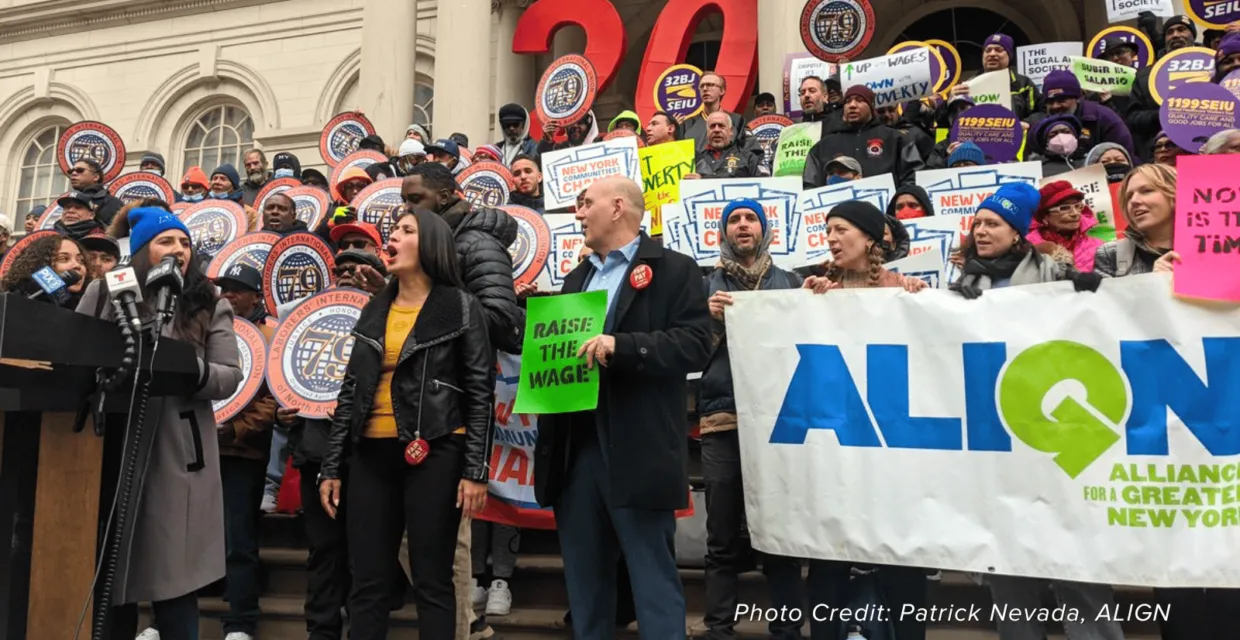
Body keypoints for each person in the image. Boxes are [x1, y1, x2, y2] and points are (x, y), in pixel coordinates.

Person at [533, 175, 712, 640]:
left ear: (617, 208)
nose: (577, 213)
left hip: (638, 447)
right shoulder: (577, 277)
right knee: (585, 588)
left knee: (652, 580)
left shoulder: (675, 269)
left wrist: (624, 346)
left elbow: (695, 345)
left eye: (584, 203)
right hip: (577, 453)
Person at [318, 207, 493, 640]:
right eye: (393, 229)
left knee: (433, 581)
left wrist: (475, 470)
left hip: (436, 451)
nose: (391, 237)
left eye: (405, 230)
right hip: (370, 456)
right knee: (369, 582)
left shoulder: (461, 306)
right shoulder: (374, 310)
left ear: (430, 243)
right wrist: (332, 466)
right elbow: (350, 392)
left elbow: (479, 393)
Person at [78, 205, 242, 640]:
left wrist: (189, 368)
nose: (178, 250)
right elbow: (73, 353)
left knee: (174, 581)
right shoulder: (104, 293)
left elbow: (229, 374)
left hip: (176, 452)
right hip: (108, 445)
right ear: (141, 249)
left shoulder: (209, 300)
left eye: (185, 242)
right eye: (166, 241)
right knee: (110, 579)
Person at [698, 198, 805, 640]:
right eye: (734, 220)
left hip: (781, 424)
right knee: (721, 535)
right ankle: (719, 629)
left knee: (781, 534)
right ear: (724, 232)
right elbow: (688, 354)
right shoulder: (704, 288)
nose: (743, 226)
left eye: (750, 219)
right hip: (723, 421)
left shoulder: (794, 283)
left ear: (765, 230)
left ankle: (787, 630)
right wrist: (712, 323)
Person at [213, 263, 276, 640]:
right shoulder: (206, 329)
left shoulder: (270, 337)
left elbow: (274, 400)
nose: (229, 295)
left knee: (239, 539)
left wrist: (234, 429)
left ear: (257, 296)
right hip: (199, 447)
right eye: (225, 288)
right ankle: (166, 615)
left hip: (243, 453)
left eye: (238, 289)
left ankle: (240, 621)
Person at [401, 163, 523, 353]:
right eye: (404, 200)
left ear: (443, 197)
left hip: (458, 376)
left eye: (415, 199)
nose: (406, 209)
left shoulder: (479, 246)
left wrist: (432, 304)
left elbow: (502, 322)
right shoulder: (423, 245)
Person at [803, 85, 923, 188]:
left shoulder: (896, 139)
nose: (852, 105)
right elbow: (809, 185)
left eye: (860, 100)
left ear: (871, 107)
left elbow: (914, 176)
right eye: (848, 101)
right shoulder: (824, 145)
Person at [1127, 16, 1198, 161]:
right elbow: (1133, 119)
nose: (1175, 35)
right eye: (1170, 32)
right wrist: (1163, 114)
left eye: (1181, 29)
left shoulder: (1214, 64)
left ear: (1193, 35)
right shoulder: (1147, 75)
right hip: (1163, 155)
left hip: (1207, 150)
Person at [1027, 70, 1135, 159]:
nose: (1055, 106)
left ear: (1077, 98)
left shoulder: (1104, 118)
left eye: (1062, 100)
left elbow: (1125, 155)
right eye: (1050, 102)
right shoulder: (1039, 128)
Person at [1094, 163, 1178, 276]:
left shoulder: (1209, 247)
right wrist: (1154, 284)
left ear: (1175, 193)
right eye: (1129, 196)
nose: (1134, 201)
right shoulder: (1111, 254)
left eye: (1146, 191)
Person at [1028, 181, 1103, 272]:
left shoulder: (1098, 246)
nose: (1075, 213)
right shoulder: (1027, 247)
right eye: (1064, 208)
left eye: (1078, 206)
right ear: (1045, 217)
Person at [0, 233, 89, 308]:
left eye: (81, 260)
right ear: (41, 265)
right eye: (64, 259)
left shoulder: (90, 308)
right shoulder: (13, 302)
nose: (77, 265)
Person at [681, 72, 749, 151]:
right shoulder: (687, 124)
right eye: (702, 86)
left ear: (722, 91)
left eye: (710, 85)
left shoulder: (737, 120)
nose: (705, 89)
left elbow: (749, 152)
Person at [690, 111, 764, 179]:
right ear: (707, 132)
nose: (716, 130)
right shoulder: (696, 161)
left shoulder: (748, 157)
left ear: (731, 131)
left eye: (721, 126)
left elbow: (762, 185)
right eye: (712, 126)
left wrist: (704, 179)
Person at [67, 157, 124, 225]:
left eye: (80, 170)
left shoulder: (112, 202)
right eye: (71, 171)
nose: (73, 173)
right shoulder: (70, 200)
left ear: (96, 177)